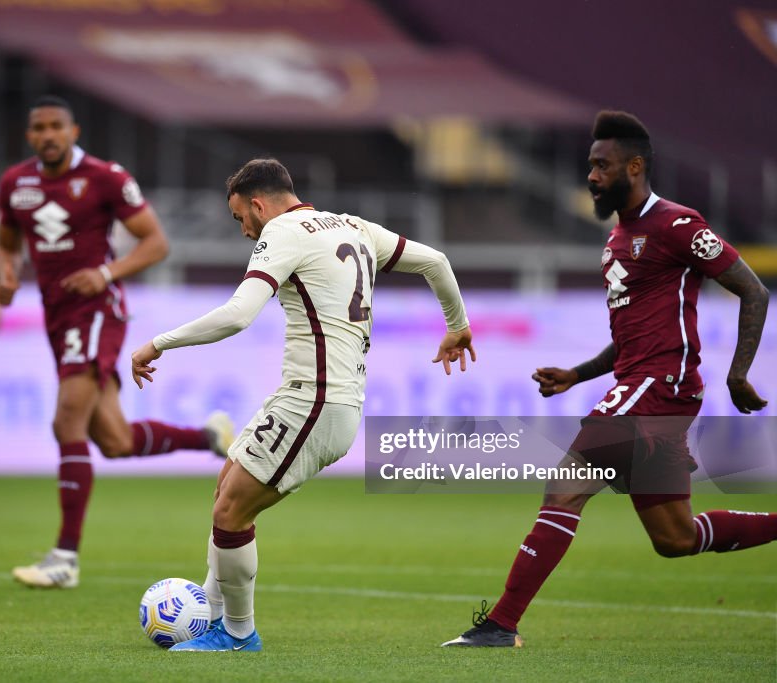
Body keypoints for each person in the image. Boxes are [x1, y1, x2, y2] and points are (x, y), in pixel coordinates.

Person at [443, 111, 774, 648]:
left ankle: (501, 624)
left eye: (602, 165)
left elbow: (754, 290)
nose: (592, 176)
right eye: (590, 165)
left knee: (566, 487)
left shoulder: (678, 225)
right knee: (675, 538)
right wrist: (577, 374)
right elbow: (631, 335)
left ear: (635, 166)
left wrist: (738, 374)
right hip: (645, 385)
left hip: (659, 386)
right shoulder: (619, 237)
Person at [130, 157, 475, 651]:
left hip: (315, 401)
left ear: (257, 205)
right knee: (226, 489)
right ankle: (207, 614)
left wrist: (158, 343)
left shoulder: (283, 231)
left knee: (231, 511)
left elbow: (238, 314)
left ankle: (237, 634)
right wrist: (457, 324)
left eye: (240, 220)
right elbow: (436, 262)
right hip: (313, 397)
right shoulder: (353, 226)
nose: (245, 232)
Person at [0, 95, 234, 589]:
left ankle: (64, 559)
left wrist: (105, 273)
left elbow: (156, 242)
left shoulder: (105, 178)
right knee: (114, 440)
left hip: (98, 310)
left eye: (55, 126)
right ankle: (210, 437)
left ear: (73, 130)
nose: (47, 136)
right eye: (38, 128)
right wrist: (4, 275)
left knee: (67, 421)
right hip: (57, 316)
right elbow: (6, 241)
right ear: (28, 136)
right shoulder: (14, 184)